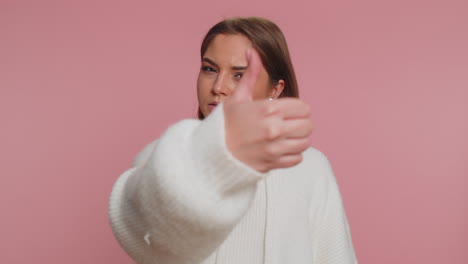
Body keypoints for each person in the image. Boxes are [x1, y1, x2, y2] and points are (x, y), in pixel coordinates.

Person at [108, 17, 358, 264]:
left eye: (239, 75)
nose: (218, 86)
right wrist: (214, 160)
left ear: (275, 89)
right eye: (209, 69)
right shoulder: (166, 154)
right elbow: (139, 230)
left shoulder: (310, 167)